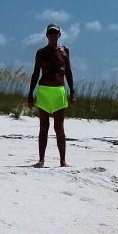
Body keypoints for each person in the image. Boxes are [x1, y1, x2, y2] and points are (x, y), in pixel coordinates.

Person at [27, 23, 76, 167]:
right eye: (51, 33)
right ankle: (41, 160)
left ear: (59, 35)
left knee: (59, 128)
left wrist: (72, 91)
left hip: (59, 91)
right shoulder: (41, 52)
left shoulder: (64, 50)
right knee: (43, 126)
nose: (53, 35)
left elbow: (68, 72)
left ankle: (63, 161)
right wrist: (30, 93)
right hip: (44, 91)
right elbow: (35, 73)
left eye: (55, 33)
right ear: (47, 35)